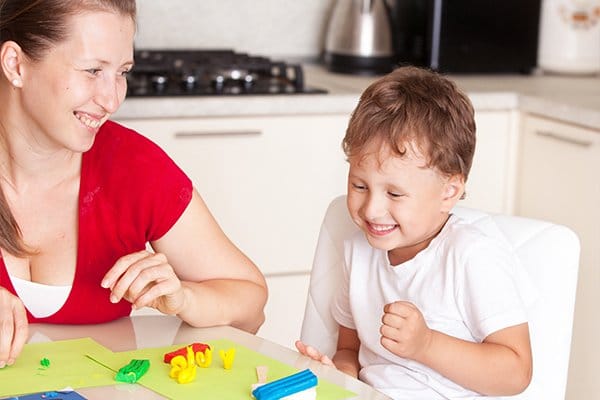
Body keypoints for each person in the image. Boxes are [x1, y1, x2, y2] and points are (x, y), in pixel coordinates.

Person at [0, 0, 267, 368]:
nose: (111, 99)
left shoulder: (133, 167)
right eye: (92, 70)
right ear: (16, 64)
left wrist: (183, 298)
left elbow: (251, 305)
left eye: (122, 72)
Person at [295, 66, 537, 399]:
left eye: (394, 194)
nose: (371, 209)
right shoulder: (358, 250)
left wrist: (427, 344)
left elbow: (516, 372)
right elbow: (350, 349)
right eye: (359, 185)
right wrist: (340, 375)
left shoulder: (471, 256)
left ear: (449, 192)